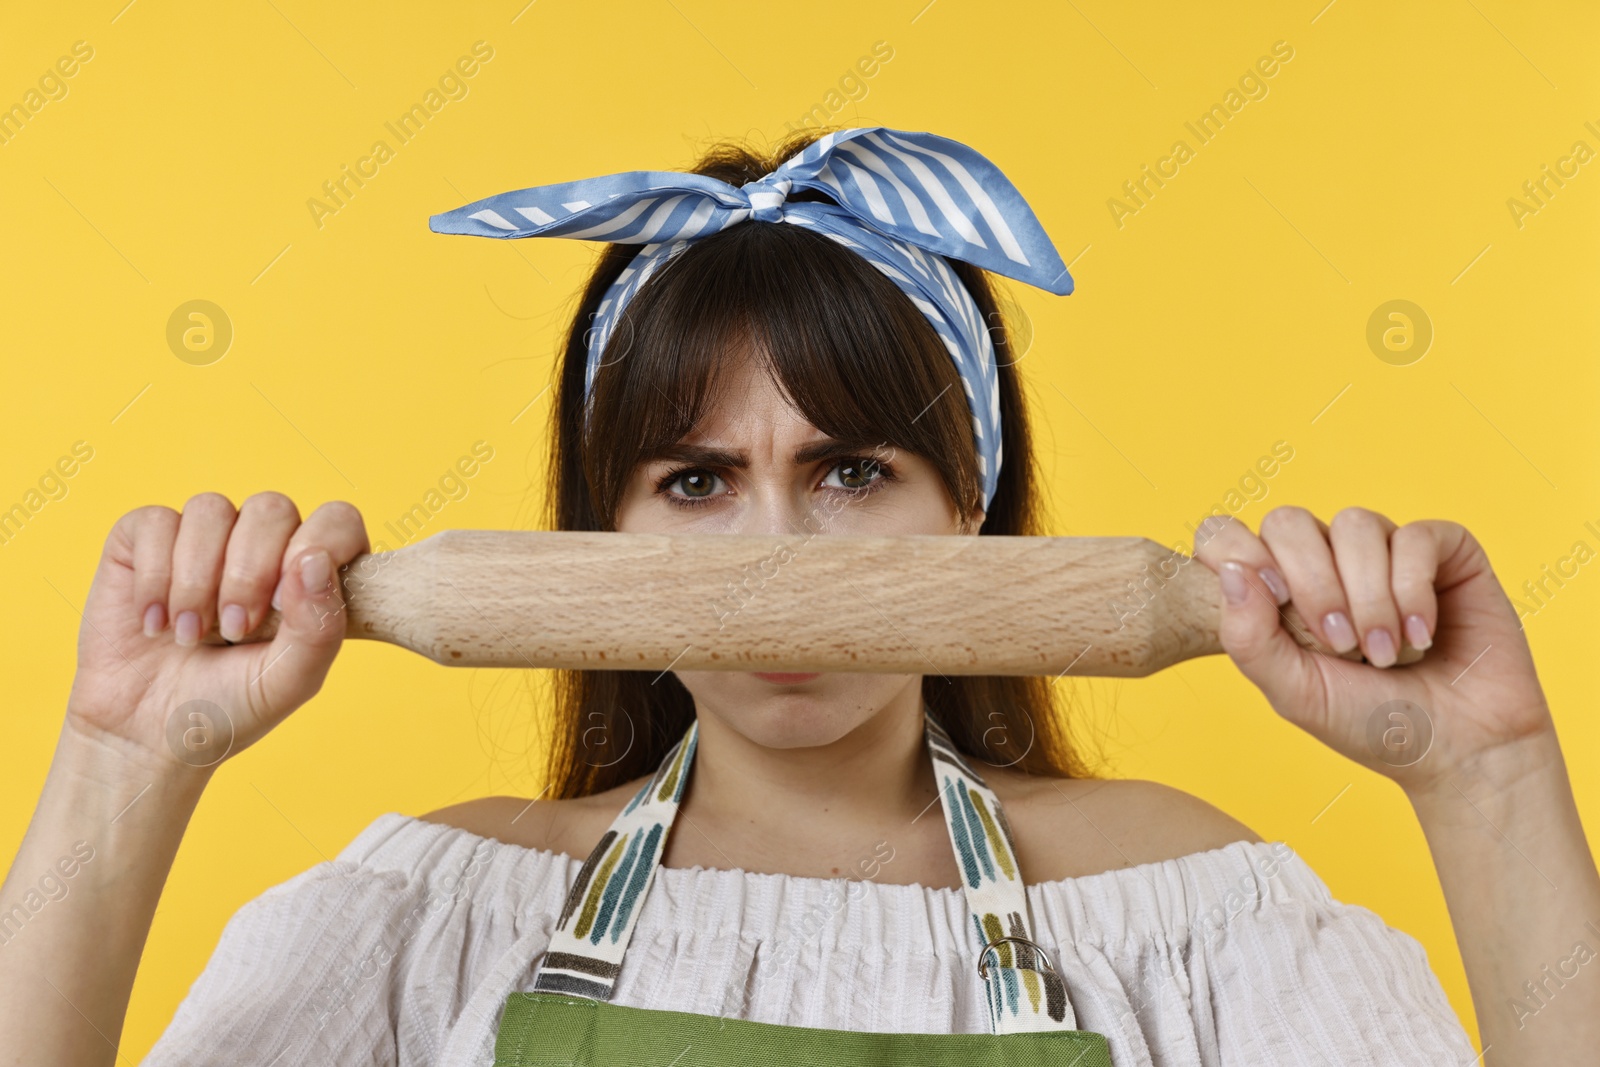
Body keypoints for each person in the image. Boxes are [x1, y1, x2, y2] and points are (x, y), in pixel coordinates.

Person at [1, 126, 1594, 1066]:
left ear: (967, 508)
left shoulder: (1190, 918)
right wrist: (126, 764)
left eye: (852, 471)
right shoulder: (434, 916)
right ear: (598, 543)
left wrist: (1489, 777)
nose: (781, 558)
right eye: (693, 481)